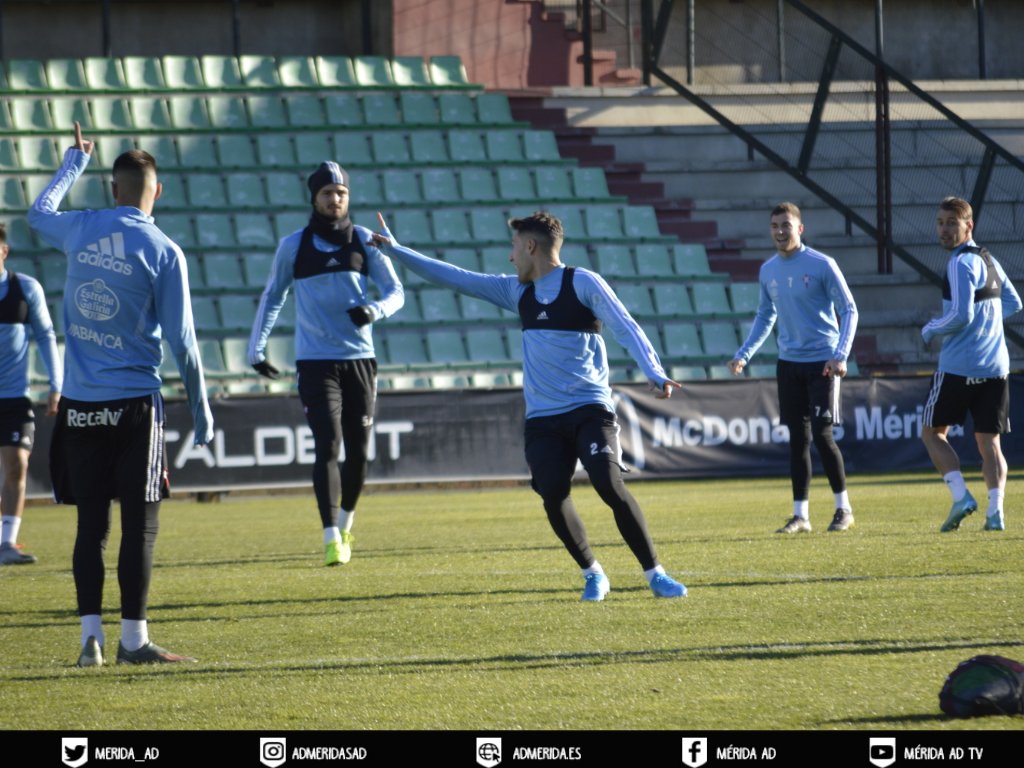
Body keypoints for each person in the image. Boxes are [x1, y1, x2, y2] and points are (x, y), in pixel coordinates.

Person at [371, 210, 688, 601]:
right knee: (553, 492)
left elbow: (626, 326)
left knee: (608, 483)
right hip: (543, 419)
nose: (511, 258)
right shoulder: (517, 292)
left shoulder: (583, 283)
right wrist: (398, 251)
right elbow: (457, 278)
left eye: (514, 248)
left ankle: (655, 574)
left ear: (530, 246)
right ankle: (593, 573)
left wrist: (654, 372)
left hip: (590, 408)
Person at [28, 122, 214, 666]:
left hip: (81, 405)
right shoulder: (163, 250)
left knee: (91, 526)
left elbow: (38, 215)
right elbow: (182, 339)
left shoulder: (82, 228)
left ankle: (91, 637)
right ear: (158, 191)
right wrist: (201, 408)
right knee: (141, 522)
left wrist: (72, 164)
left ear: (113, 190)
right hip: (135, 406)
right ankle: (134, 641)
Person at [248, 162, 404, 567]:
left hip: (360, 362)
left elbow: (395, 291)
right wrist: (256, 349)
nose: (335, 199)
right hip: (316, 363)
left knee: (360, 452)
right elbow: (272, 296)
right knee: (328, 446)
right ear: (314, 198)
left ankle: (348, 522)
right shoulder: (294, 246)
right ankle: (330, 535)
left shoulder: (367, 241)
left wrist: (375, 310)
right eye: (327, 193)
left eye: (341, 193)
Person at [728, 202, 858, 534]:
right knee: (797, 440)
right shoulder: (768, 270)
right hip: (789, 364)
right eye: (775, 226)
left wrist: (840, 355)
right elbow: (764, 316)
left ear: (800, 229)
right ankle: (801, 515)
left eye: (786, 225)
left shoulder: (821, 264)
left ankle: (844, 509)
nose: (780, 231)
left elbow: (849, 310)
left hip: (823, 363)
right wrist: (745, 354)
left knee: (823, 436)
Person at [921, 196, 1021, 532]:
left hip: (959, 365)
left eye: (952, 223)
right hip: (995, 366)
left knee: (932, 433)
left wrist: (930, 329)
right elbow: (1014, 303)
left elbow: (960, 315)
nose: (944, 230)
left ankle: (961, 495)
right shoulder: (988, 258)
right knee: (989, 442)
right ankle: (996, 512)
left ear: (969, 226)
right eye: (940, 223)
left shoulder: (959, 262)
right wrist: (988, 323)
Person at [0, 222, 62, 565]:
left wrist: (57, 385)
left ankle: (7, 543)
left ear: (4, 251)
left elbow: (46, 336)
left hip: (13, 398)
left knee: (16, 465)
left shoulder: (25, 289)